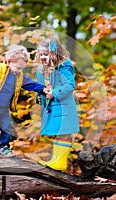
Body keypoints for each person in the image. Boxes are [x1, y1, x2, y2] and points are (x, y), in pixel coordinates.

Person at [0, 44, 45, 157]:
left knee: (7, 127)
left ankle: (4, 147)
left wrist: (43, 89)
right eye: (18, 68)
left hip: (4, 108)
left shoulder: (19, 76)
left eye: (22, 69)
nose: (19, 71)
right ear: (9, 62)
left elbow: (31, 84)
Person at [35, 37, 79, 171]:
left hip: (64, 106)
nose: (43, 57)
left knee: (64, 133)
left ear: (54, 54)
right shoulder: (44, 70)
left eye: (46, 54)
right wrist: (40, 95)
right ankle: (56, 159)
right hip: (53, 107)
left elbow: (70, 85)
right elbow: (45, 86)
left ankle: (61, 161)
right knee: (57, 133)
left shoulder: (64, 67)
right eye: (41, 54)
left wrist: (55, 93)